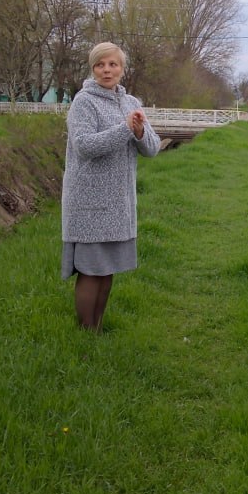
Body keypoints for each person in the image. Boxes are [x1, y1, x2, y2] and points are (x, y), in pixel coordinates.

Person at [60, 42, 161, 331]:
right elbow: (84, 146)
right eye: (100, 65)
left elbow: (152, 149)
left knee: (107, 272)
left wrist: (139, 132)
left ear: (122, 68)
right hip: (89, 202)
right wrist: (125, 129)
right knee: (91, 272)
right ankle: (85, 332)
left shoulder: (131, 103)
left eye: (112, 64)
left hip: (120, 203)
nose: (107, 70)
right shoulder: (84, 101)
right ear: (92, 69)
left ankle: (97, 329)